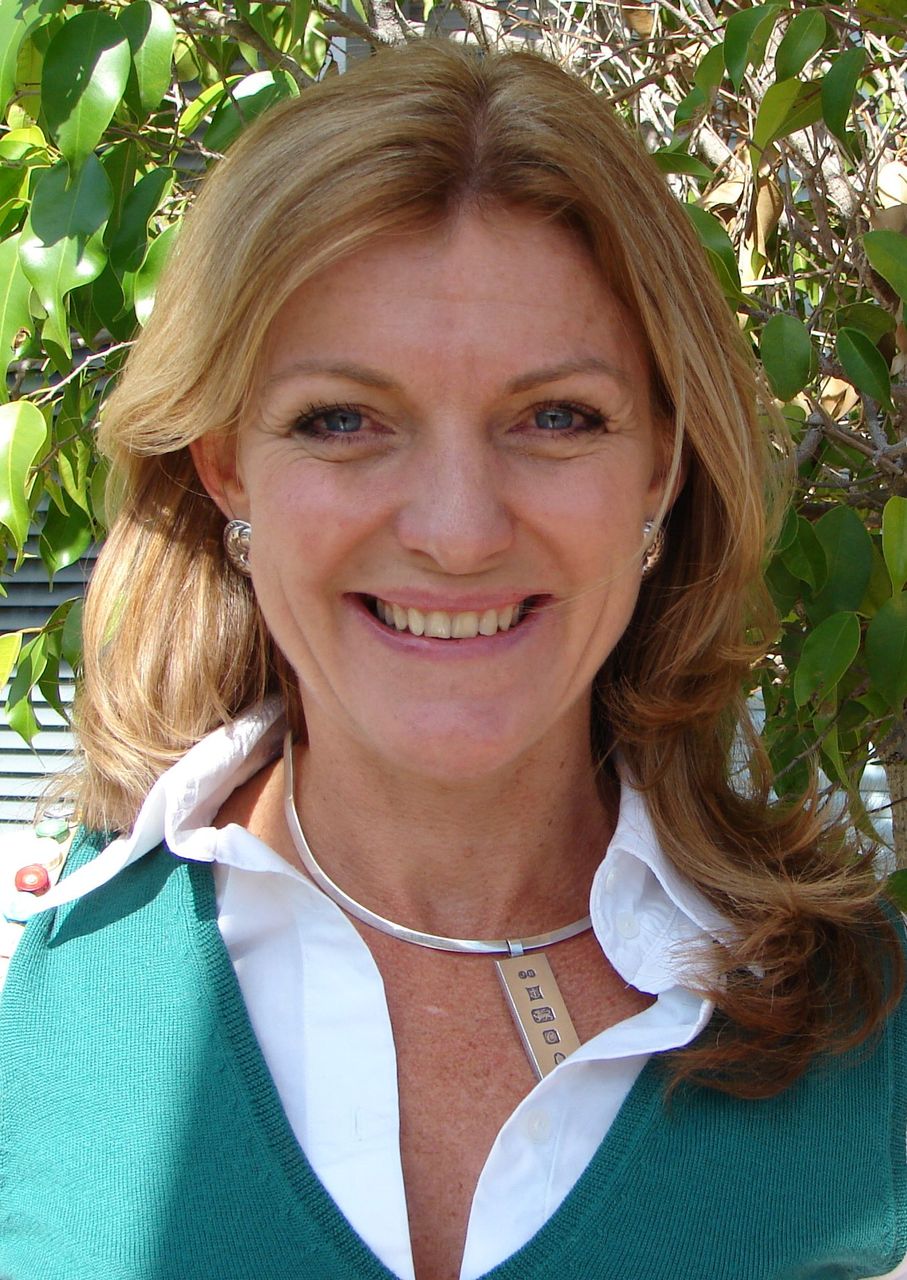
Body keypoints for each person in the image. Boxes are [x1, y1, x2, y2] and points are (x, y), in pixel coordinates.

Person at [1, 39, 904, 1280]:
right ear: (224, 468)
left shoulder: (871, 1030)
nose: (459, 529)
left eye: (555, 417)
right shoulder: (36, 973)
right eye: (342, 419)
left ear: (660, 467)